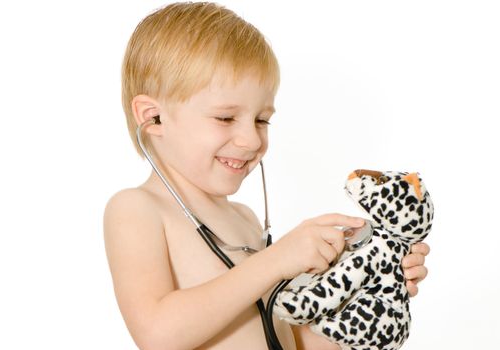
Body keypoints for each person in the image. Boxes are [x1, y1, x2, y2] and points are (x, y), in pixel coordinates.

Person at [103, 2, 430, 349]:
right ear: (154, 118)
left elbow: (284, 340)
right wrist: (276, 261)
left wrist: (364, 285)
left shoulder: (244, 220)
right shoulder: (136, 209)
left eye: (262, 120)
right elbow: (158, 334)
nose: (252, 139)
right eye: (226, 118)